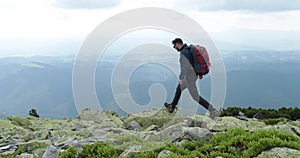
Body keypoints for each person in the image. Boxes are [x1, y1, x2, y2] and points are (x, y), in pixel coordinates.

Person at [164, 38, 219, 118]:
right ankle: (172, 106)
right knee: (179, 89)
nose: (174, 47)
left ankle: (212, 110)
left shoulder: (184, 53)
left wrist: (181, 78)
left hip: (189, 77)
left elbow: (185, 67)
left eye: (175, 45)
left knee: (195, 96)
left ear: (178, 44)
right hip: (192, 76)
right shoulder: (188, 49)